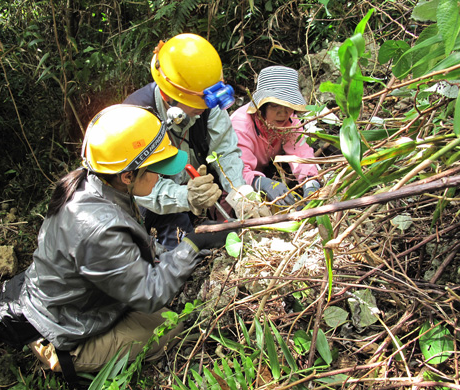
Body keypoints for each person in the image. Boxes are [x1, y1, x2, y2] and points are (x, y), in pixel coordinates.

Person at [16, 105, 233, 377]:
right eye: (156, 169)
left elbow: (143, 253)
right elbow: (151, 293)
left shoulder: (101, 185)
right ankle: (73, 368)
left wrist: (186, 246)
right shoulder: (98, 227)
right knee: (176, 329)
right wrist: (193, 243)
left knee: (169, 315)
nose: (161, 176)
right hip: (66, 335)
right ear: (127, 175)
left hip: (79, 308)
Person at [124, 33, 270, 249]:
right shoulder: (135, 119)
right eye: (196, 105)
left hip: (204, 189)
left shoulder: (207, 104)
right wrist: (187, 197)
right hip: (159, 204)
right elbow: (139, 188)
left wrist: (240, 193)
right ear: (169, 97)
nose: (203, 110)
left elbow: (225, 151)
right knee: (186, 244)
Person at [230, 66, 320, 208]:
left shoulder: (290, 120)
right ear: (261, 106)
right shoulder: (241, 126)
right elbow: (236, 172)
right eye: (275, 106)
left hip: (269, 172)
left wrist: (311, 184)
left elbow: (300, 154)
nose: (283, 113)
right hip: (237, 193)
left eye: (288, 106)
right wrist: (263, 183)